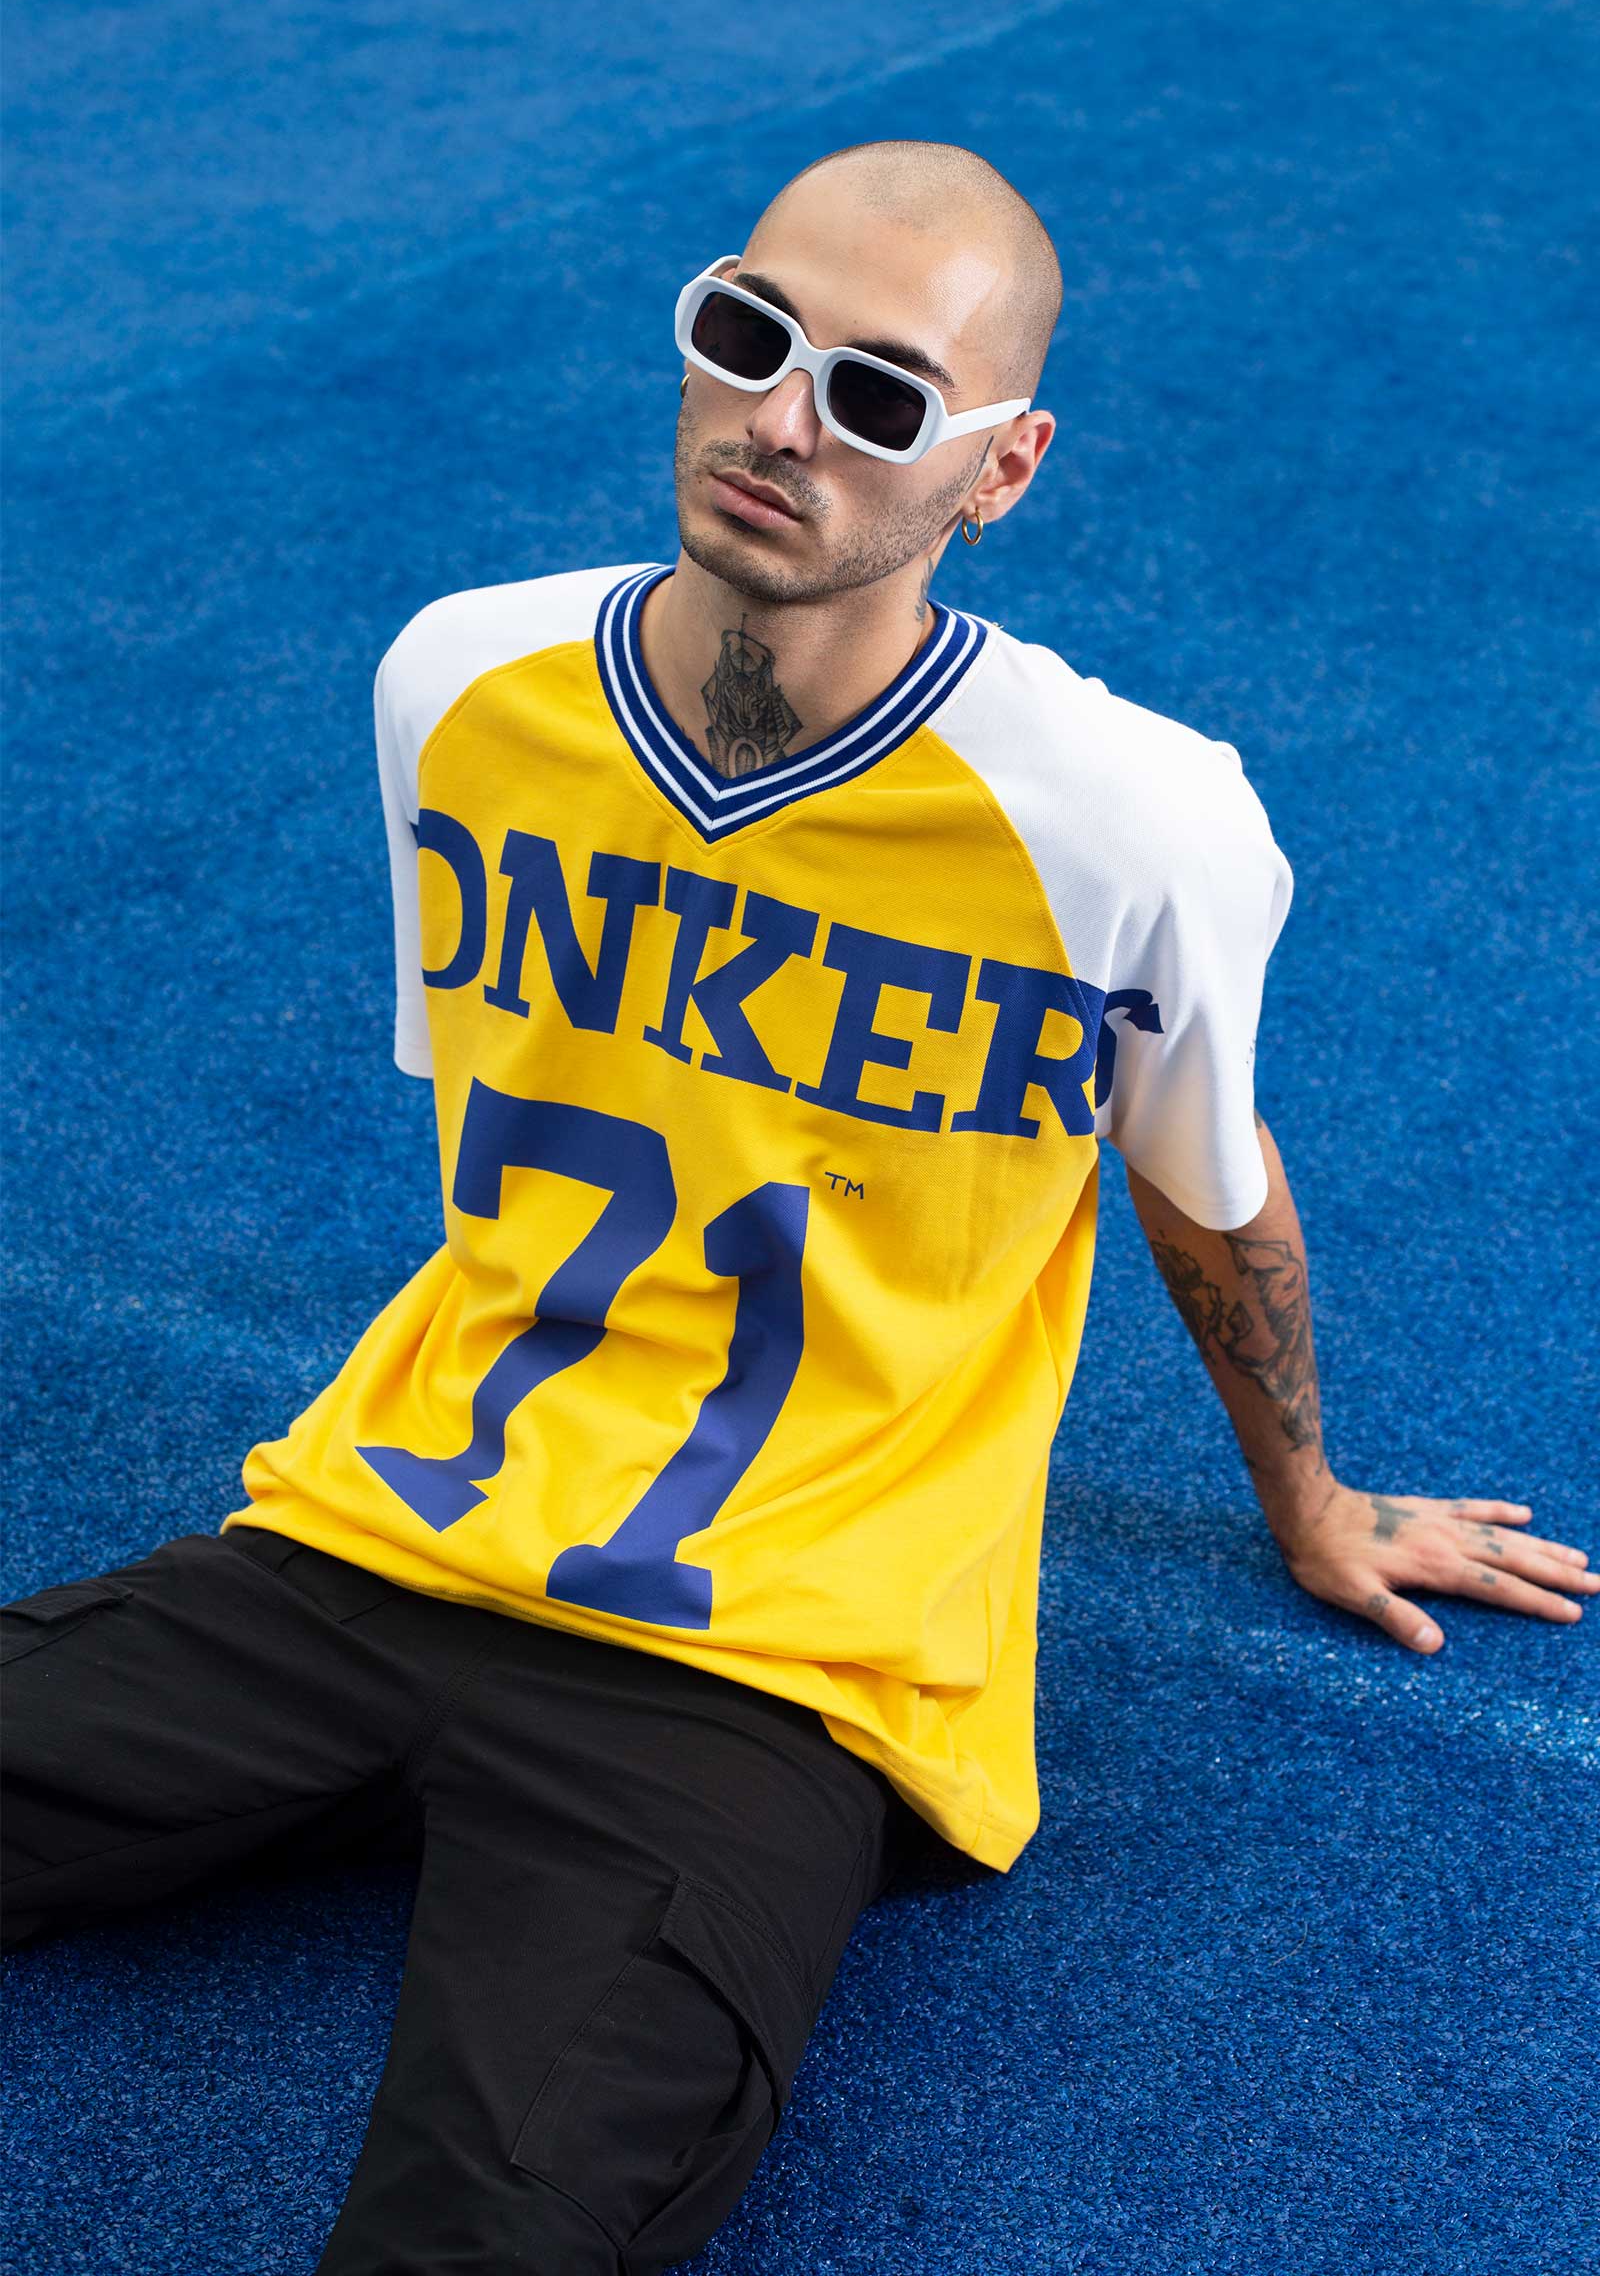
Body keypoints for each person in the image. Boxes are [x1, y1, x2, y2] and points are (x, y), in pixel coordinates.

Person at [3, 139, 1592, 2276]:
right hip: (365, 1541)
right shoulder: (459, 688)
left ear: (1001, 467)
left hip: (773, 1670)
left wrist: (1307, 1501)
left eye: (878, 390)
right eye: (750, 336)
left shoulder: (1133, 829)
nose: (782, 419)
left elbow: (1205, 1190)